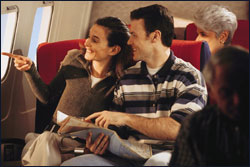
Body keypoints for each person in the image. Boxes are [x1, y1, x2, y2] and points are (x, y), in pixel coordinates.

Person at [62, 4, 208, 166]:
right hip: (127, 155)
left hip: (170, 155)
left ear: (155, 37)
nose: (129, 41)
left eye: (134, 35)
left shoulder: (189, 76)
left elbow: (177, 129)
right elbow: (116, 130)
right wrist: (99, 143)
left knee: (156, 163)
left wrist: (125, 118)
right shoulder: (127, 77)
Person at [2, 16, 133, 165]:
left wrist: (98, 146)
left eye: (95, 40)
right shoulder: (74, 58)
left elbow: (118, 127)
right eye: (88, 37)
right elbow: (46, 97)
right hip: (51, 137)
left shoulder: (121, 82)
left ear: (114, 49)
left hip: (81, 148)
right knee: (46, 140)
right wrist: (30, 70)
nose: (87, 43)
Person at [169, 46, 249, 166]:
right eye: (226, 93)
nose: (237, 100)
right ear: (211, 90)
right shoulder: (196, 126)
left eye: (244, 88)